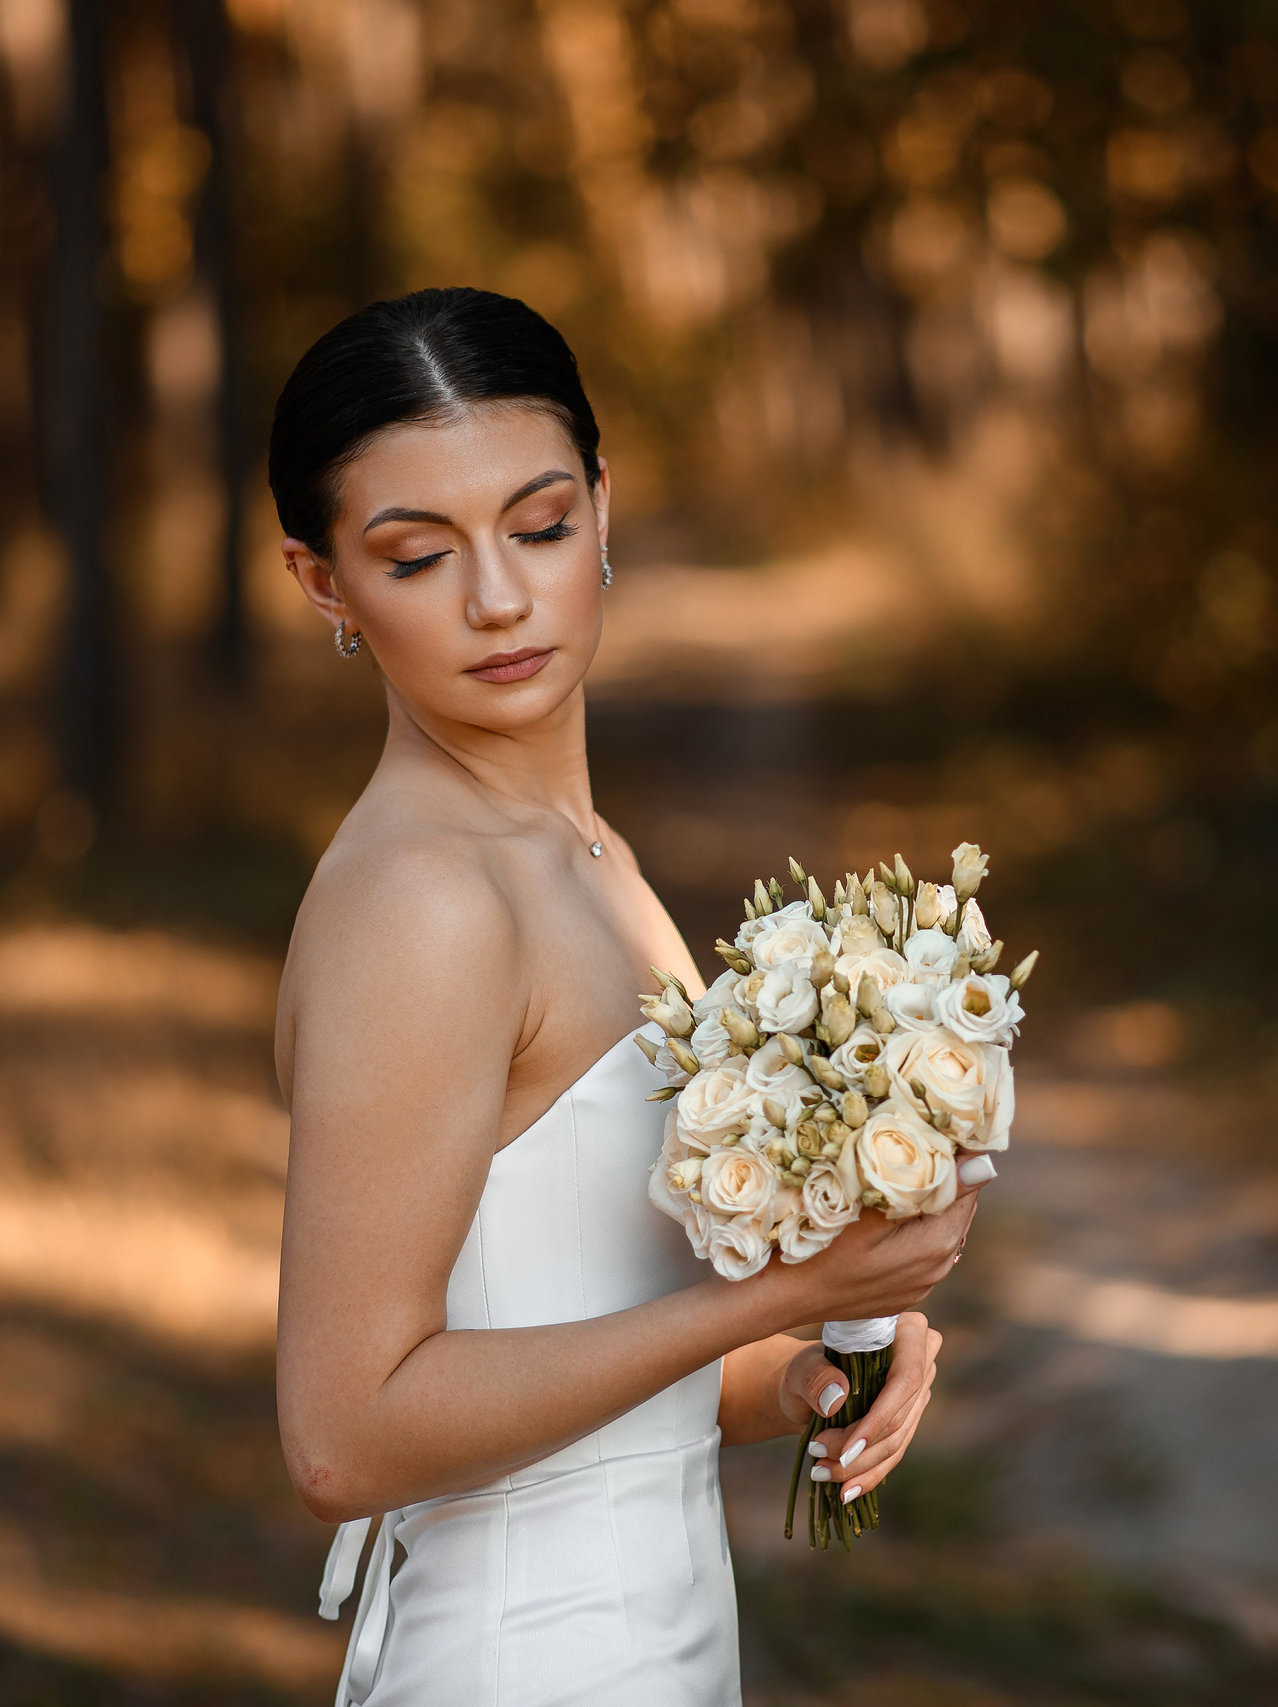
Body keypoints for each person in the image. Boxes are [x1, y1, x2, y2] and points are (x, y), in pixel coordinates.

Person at [269, 288, 984, 1706]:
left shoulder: (584, 861)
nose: (497, 598)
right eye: (417, 556)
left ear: (604, 506)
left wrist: (790, 1375)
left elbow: (546, 1327)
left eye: (538, 528)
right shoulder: (425, 905)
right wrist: (773, 1299)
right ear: (324, 585)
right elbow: (345, 1437)